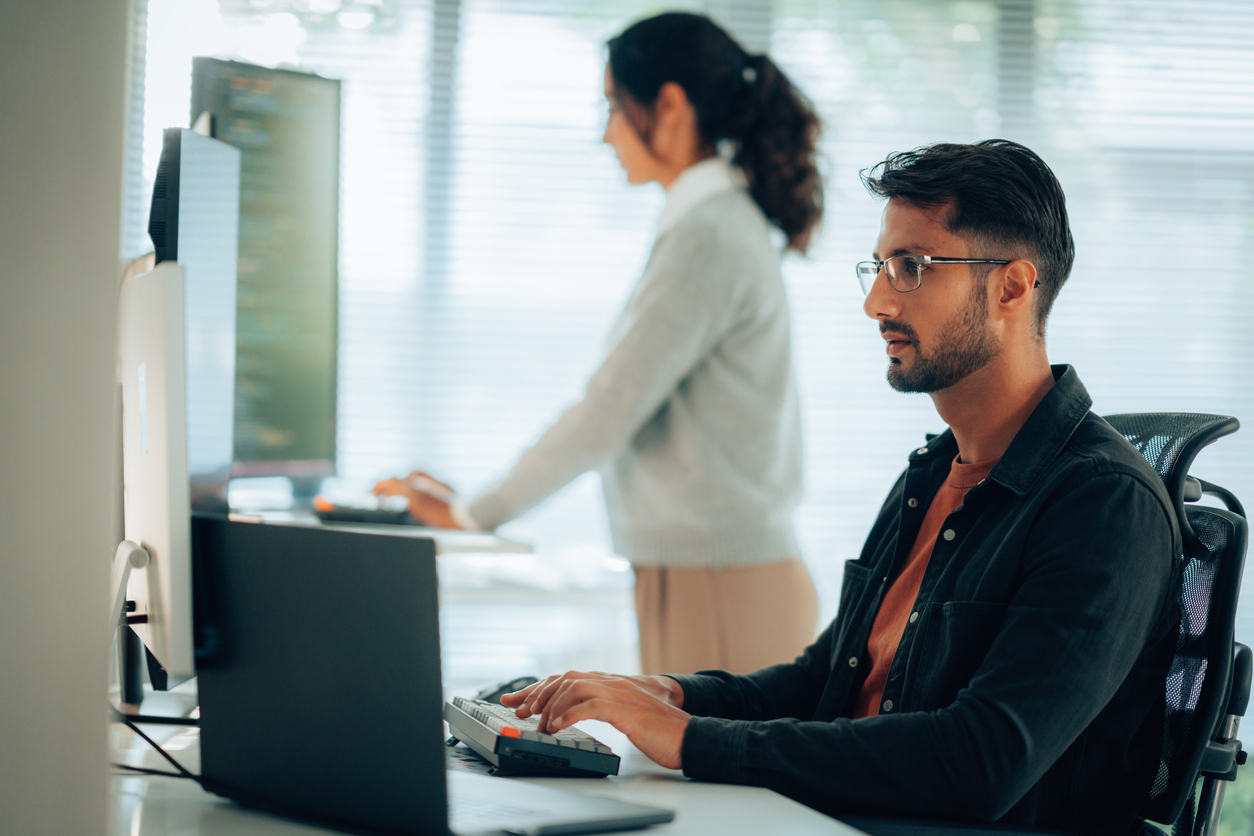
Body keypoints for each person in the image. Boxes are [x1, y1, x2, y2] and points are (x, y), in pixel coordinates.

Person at [497, 140, 1181, 836]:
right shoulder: (930, 474)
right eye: (881, 267)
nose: (877, 301)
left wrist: (688, 739)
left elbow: (983, 761)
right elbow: (822, 681)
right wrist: (665, 695)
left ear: (1011, 286)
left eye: (912, 267)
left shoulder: (1104, 503)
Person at [376, 12, 825, 676]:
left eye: (615, 107)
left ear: (669, 106)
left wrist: (472, 514)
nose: (606, 133)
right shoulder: (710, 223)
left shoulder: (709, 234)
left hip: (722, 586)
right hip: (712, 577)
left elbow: (606, 411)